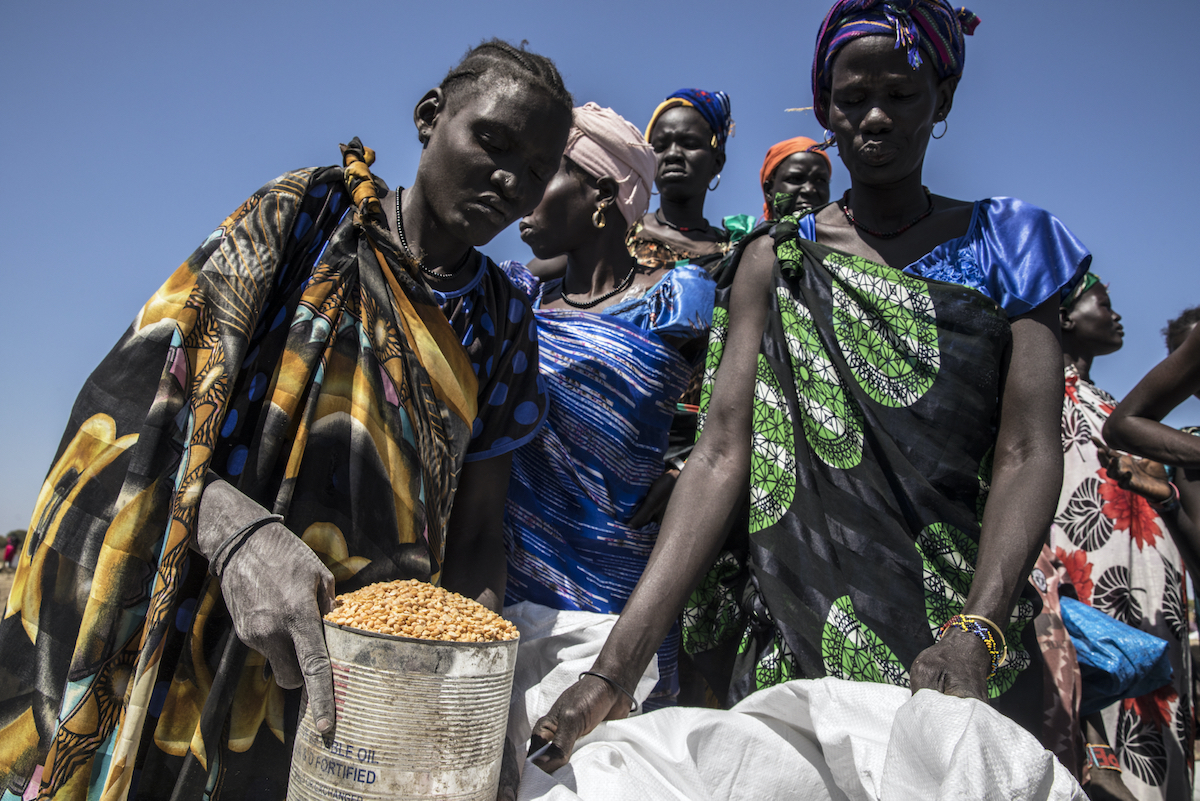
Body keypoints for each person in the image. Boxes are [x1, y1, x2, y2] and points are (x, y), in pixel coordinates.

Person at [0, 39, 572, 799]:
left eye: (537, 171)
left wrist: (477, 702)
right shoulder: (305, 217)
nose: (511, 181)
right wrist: (232, 527)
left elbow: (473, 538)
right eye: (494, 142)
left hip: (353, 680)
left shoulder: (503, 326)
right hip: (192, 618)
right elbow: (131, 396)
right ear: (430, 117)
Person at [528, 0, 1089, 773]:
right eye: (853, 99)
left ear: (945, 100)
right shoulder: (775, 260)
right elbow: (721, 454)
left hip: (968, 645)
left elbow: (1028, 450)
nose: (876, 118)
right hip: (801, 642)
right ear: (825, 107)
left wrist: (978, 629)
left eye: (901, 95)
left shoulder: (1009, 245)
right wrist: (612, 671)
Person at [501, 103, 715, 712]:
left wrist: (687, 468)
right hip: (513, 581)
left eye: (542, 174)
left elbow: (742, 412)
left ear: (599, 191)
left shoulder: (678, 298)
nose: (519, 192)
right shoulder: (521, 301)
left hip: (619, 592)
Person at [1046, 275, 1193, 800]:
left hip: (1151, 586)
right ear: (1064, 316)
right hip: (1087, 584)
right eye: (1103, 303)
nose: (1117, 315)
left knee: (1157, 697)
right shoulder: (1041, 397)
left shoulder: (1108, 402)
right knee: (1101, 687)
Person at [759, 136, 833, 221]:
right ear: (769, 191)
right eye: (795, 179)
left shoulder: (849, 233)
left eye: (820, 180)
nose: (809, 190)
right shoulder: (746, 233)